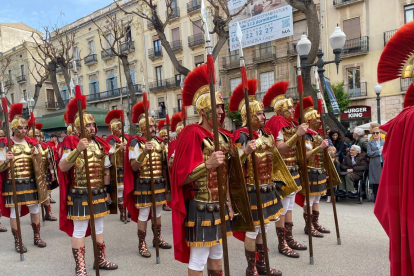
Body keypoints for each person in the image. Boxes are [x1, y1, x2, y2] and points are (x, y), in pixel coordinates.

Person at [170, 64, 235, 276]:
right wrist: (208, 165)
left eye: (221, 107)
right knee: (198, 260)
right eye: (215, 107)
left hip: (219, 206)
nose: (220, 111)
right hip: (200, 207)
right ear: (203, 110)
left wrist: (229, 203)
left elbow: (224, 176)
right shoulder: (191, 133)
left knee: (217, 259)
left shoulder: (224, 137)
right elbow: (182, 177)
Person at [59, 97, 118, 275]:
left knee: (99, 228)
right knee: (79, 229)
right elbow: (62, 167)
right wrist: (78, 149)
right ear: (78, 129)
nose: (92, 128)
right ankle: (80, 266)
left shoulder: (100, 145)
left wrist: (108, 193)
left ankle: (100, 259)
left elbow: (107, 169)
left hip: (98, 192)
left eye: (93, 125)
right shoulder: (70, 143)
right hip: (80, 193)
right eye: (88, 125)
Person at [230, 79, 284, 275]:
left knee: (264, 228)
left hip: (267, 188)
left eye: (263, 112)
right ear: (249, 115)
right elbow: (233, 166)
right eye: (259, 113)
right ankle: (251, 268)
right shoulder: (241, 135)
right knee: (253, 230)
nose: (263, 116)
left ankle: (262, 266)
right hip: (251, 189)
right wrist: (245, 151)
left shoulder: (266, 134)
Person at [263, 81, 308, 258]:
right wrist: (297, 135)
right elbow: (279, 148)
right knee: (282, 208)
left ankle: (288, 239)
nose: (292, 111)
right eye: (289, 108)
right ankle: (282, 244)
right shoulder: (277, 122)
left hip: (292, 168)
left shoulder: (291, 123)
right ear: (281, 110)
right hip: (281, 171)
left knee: (289, 207)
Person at [124, 98, 171, 259]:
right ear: (143, 129)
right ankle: (142, 243)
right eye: (150, 126)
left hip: (158, 183)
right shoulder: (135, 143)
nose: (154, 128)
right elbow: (133, 167)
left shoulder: (159, 143)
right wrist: (144, 152)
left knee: (158, 213)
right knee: (144, 214)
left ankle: (157, 238)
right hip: (143, 183)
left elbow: (165, 165)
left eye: (154, 125)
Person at [0, 103, 47, 252]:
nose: (23, 130)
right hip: (12, 182)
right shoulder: (5, 144)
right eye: (20, 128)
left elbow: (42, 163)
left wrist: (38, 157)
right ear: (13, 129)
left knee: (35, 209)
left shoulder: (32, 143)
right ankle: (18, 241)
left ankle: (37, 236)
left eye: (25, 127)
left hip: (31, 182)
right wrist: (6, 160)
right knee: (15, 212)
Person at [293, 97, 330, 238]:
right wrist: (320, 148)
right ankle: (309, 226)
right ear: (309, 120)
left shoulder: (317, 135)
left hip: (319, 171)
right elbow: (305, 156)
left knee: (317, 199)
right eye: (317, 119)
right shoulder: (307, 136)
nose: (319, 121)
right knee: (309, 200)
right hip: (309, 171)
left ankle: (315, 223)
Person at [28, 121, 57, 222]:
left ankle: (48, 213)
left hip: (44, 174)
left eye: (38, 136)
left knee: (46, 195)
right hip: (32, 176)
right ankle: (35, 216)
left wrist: (52, 174)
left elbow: (49, 162)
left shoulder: (45, 147)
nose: (37, 138)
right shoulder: (28, 148)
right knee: (34, 198)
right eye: (35, 136)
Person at [104, 110, 130, 223]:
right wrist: (119, 148)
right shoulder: (111, 139)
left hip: (126, 167)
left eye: (121, 128)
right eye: (118, 129)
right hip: (117, 167)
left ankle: (129, 211)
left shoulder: (127, 137)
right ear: (114, 129)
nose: (120, 130)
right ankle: (122, 213)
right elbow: (109, 152)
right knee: (120, 190)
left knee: (128, 189)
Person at [367, 127, 384, 203]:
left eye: (377, 133)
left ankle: (383, 197)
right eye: (374, 133)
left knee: (383, 181)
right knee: (376, 181)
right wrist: (379, 151)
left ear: (380, 133)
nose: (375, 134)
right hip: (374, 164)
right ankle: (376, 197)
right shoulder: (370, 143)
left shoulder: (384, 142)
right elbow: (369, 153)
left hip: (384, 163)